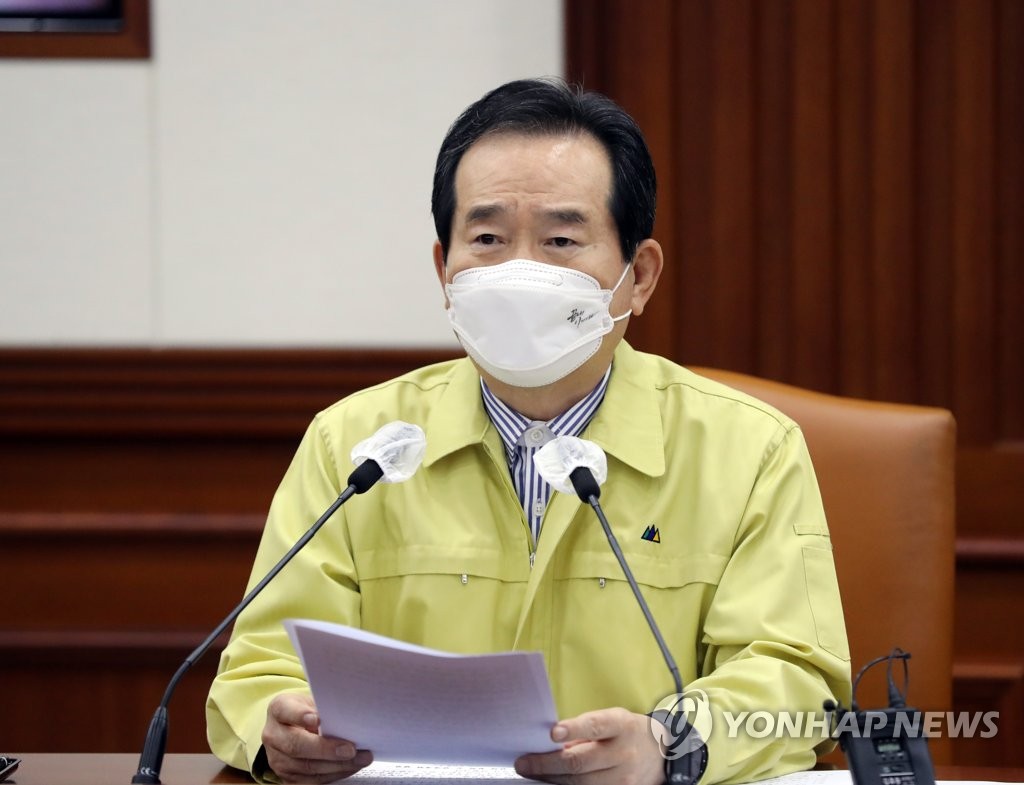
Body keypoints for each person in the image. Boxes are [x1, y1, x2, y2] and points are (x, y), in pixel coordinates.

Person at [206, 77, 851, 785]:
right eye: (486, 238)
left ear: (638, 275)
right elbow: (260, 666)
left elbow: (796, 682)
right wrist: (279, 730)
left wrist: (670, 746)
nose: (519, 270)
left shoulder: (749, 450)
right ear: (444, 269)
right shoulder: (356, 444)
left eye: (560, 239)